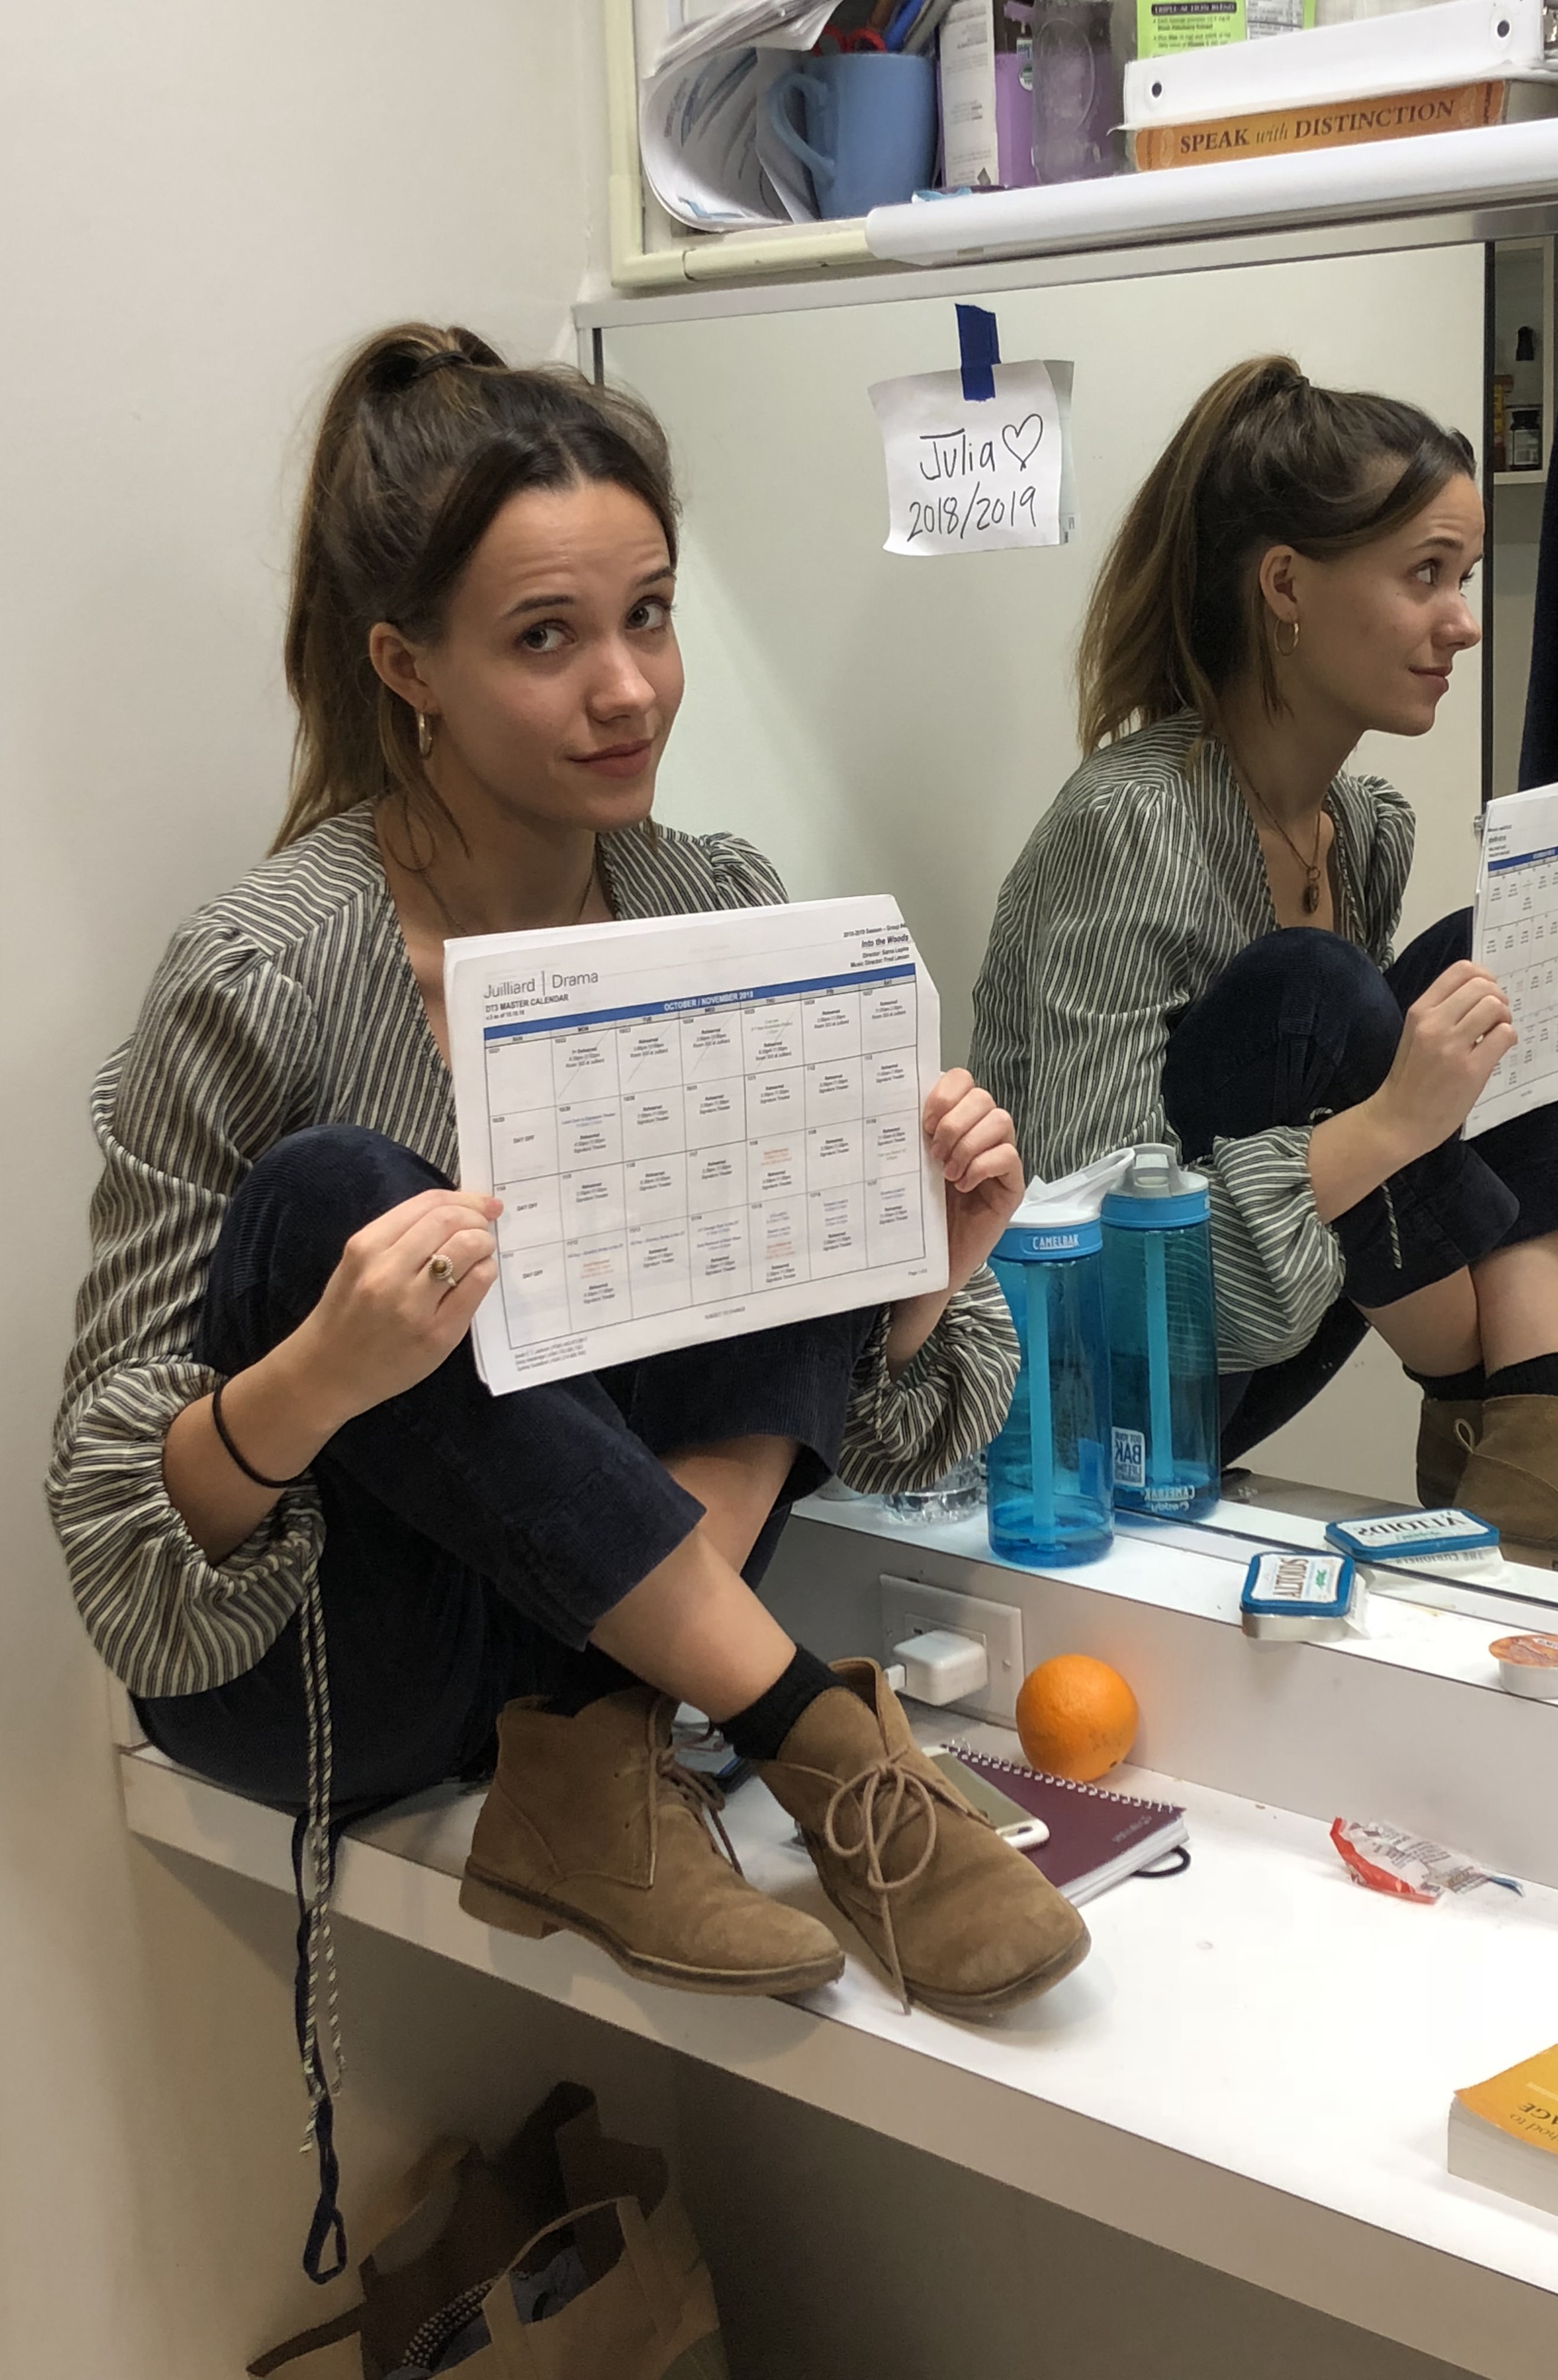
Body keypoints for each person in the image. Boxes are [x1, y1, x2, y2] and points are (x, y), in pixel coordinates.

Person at [49, 323, 1087, 2271]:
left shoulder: (709, 903)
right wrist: (321, 1377)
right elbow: (118, 1539)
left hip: (590, 1657)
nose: (625, 689)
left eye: (651, 616)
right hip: (344, 1670)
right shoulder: (263, 967)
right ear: (402, 666)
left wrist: (914, 1276)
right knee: (339, 1195)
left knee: (762, 1073)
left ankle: (615, 1749)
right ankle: (814, 1741)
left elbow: (922, 1417)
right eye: (544, 638)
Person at [972, 352, 1558, 1576]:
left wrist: (1550, 1053)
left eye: (1466, 577)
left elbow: (1389, 1156)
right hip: (1106, 1416)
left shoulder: (1370, 825)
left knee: (1489, 966)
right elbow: (1088, 1247)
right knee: (1321, 988)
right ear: (1285, 585)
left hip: (1278, 1328)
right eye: (1425, 576)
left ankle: (1540, 1418)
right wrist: (1402, 1117)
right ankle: (1522, 1430)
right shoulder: (1128, 825)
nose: (1464, 619)